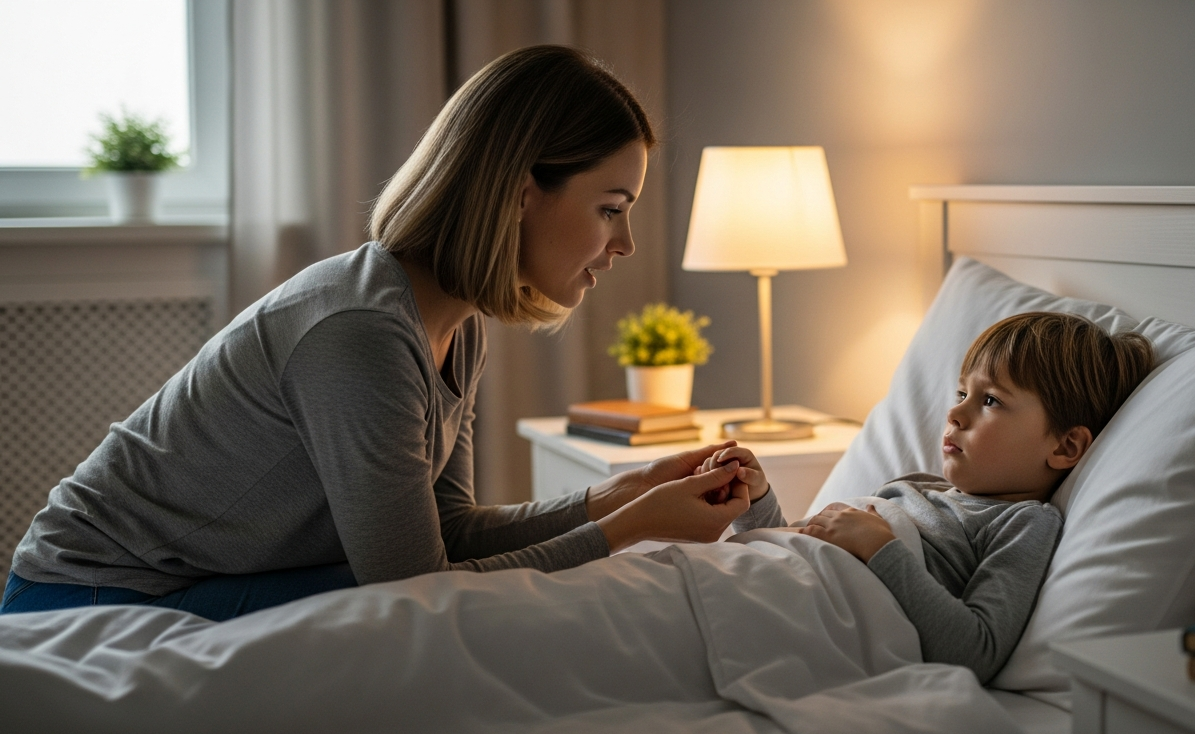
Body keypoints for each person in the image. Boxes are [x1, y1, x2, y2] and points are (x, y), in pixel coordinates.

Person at [1, 45, 751, 622]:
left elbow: (446, 534)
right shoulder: (361, 332)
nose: (625, 245)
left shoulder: (453, 324)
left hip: (193, 579)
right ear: (522, 193)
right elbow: (416, 593)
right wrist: (627, 528)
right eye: (611, 208)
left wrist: (621, 494)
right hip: (92, 595)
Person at [704, 312, 1154, 683]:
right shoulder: (914, 486)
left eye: (991, 401)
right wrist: (755, 502)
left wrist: (880, 547)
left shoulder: (1023, 522)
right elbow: (800, 551)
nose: (955, 412)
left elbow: (976, 651)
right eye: (962, 392)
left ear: (1065, 447)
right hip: (761, 582)